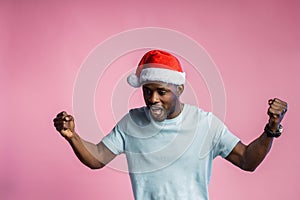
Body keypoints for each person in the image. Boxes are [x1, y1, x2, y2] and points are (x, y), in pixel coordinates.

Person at [53, 50, 288, 200]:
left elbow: (247, 160)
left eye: (162, 92)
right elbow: (98, 158)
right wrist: (73, 136)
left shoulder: (205, 124)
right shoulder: (131, 122)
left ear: (179, 89)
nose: (153, 99)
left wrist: (272, 128)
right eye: (147, 91)